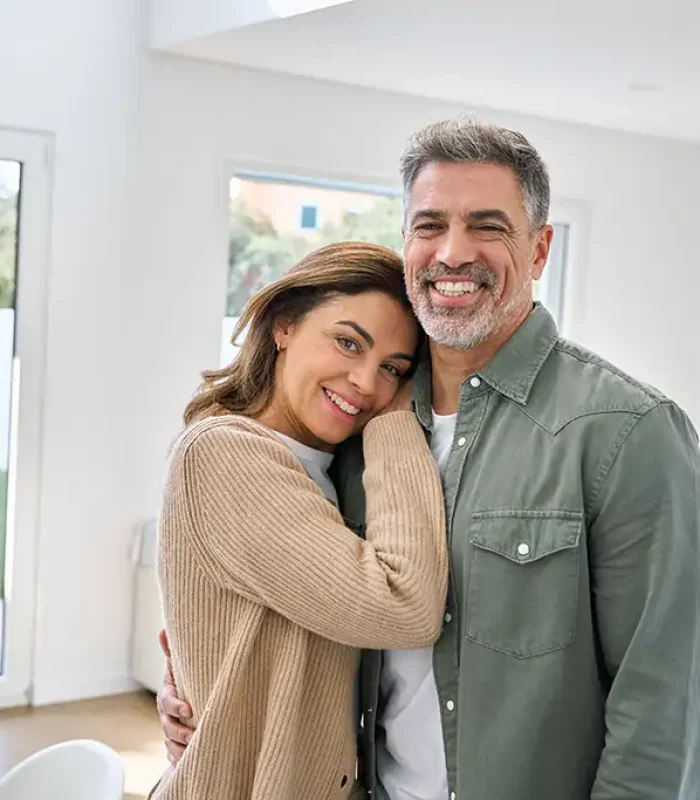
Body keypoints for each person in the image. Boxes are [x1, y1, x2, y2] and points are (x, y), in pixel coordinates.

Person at [158, 119, 700, 799]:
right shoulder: (353, 434)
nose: (453, 252)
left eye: (488, 227)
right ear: (406, 241)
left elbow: (662, 707)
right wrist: (204, 704)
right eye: (429, 224)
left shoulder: (627, 432)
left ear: (539, 249)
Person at [150, 241, 448, 799]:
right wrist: (396, 416)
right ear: (284, 324)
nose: (365, 382)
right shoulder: (223, 451)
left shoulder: (328, 468)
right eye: (347, 342)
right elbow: (403, 606)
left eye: (392, 368)